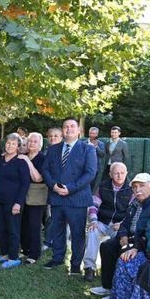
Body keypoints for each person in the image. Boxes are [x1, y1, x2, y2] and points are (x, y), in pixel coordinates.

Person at [42, 118, 97, 275]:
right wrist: (53, 186)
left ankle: (75, 265)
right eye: (66, 126)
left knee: (77, 233)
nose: (69, 129)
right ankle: (58, 257)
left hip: (76, 198)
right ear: (62, 130)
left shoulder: (88, 149)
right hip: (57, 196)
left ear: (79, 130)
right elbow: (45, 170)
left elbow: (90, 173)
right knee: (57, 230)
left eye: (72, 126)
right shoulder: (53, 149)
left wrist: (70, 188)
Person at [89, 173, 150, 299]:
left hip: (143, 242)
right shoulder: (135, 202)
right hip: (130, 237)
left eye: (142, 185)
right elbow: (125, 223)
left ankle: (119, 294)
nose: (137, 189)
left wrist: (134, 244)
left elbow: (149, 231)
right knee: (107, 246)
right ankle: (107, 286)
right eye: (135, 187)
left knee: (123, 252)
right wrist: (123, 235)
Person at [82, 162, 132, 282]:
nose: (119, 176)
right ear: (110, 174)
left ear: (126, 173)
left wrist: (122, 224)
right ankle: (89, 268)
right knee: (92, 232)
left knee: (119, 240)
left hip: (119, 225)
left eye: (122, 173)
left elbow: (132, 211)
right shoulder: (103, 186)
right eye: (116, 173)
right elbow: (94, 205)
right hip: (102, 222)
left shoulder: (131, 189)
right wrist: (93, 220)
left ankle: (113, 270)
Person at [0, 133, 30, 269]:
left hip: (13, 202)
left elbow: (25, 184)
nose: (10, 145)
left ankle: (13, 257)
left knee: (13, 229)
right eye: (8, 143)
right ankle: (5, 253)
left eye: (13, 144)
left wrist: (18, 202)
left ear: (18, 146)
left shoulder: (21, 162)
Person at [18, 132, 47, 264]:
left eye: (35, 141)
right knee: (23, 223)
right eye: (30, 141)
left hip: (36, 195)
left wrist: (27, 161)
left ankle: (34, 254)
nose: (32, 143)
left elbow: (38, 178)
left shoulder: (42, 158)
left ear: (40, 145)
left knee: (34, 224)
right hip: (22, 194)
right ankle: (25, 249)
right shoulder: (23, 156)